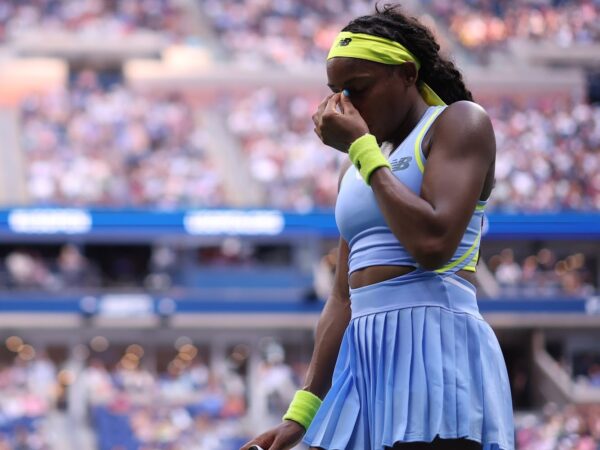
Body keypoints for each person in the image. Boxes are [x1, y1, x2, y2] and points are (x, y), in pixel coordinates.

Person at [242, 4, 514, 450]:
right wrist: (301, 414)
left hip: (435, 345)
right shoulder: (356, 168)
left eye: (358, 89)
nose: (344, 105)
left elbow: (433, 243)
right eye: (336, 92)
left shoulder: (460, 122)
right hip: (365, 356)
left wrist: (365, 152)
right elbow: (342, 295)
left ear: (406, 73)